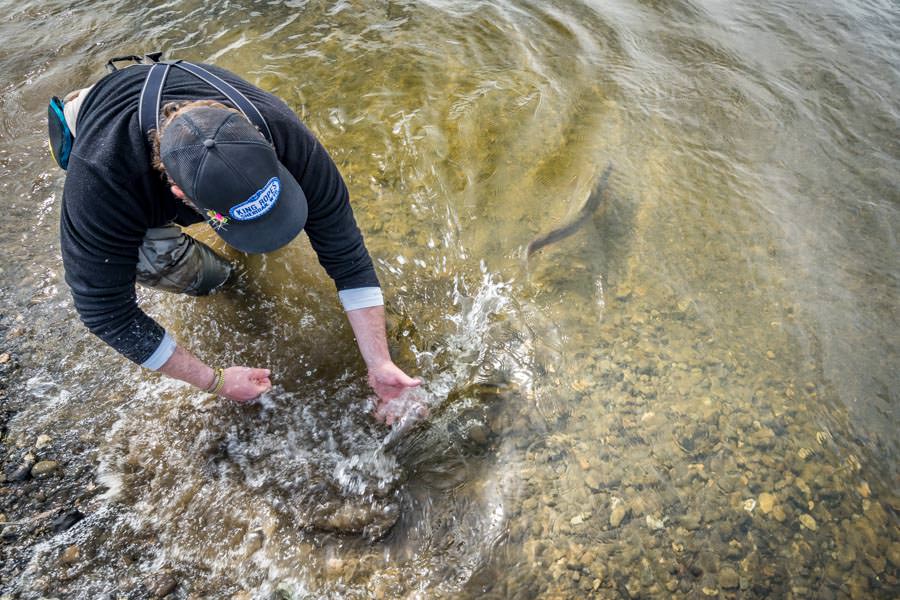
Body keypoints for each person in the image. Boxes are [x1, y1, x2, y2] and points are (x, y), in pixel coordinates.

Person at [52, 57, 420, 413]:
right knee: (205, 277)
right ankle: (223, 279)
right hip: (105, 126)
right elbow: (106, 313)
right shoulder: (102, 184)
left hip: (167, 98)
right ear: (180, 195)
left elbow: (346, 251)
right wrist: (215, 380)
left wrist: (380, 363)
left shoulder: (280, 130)